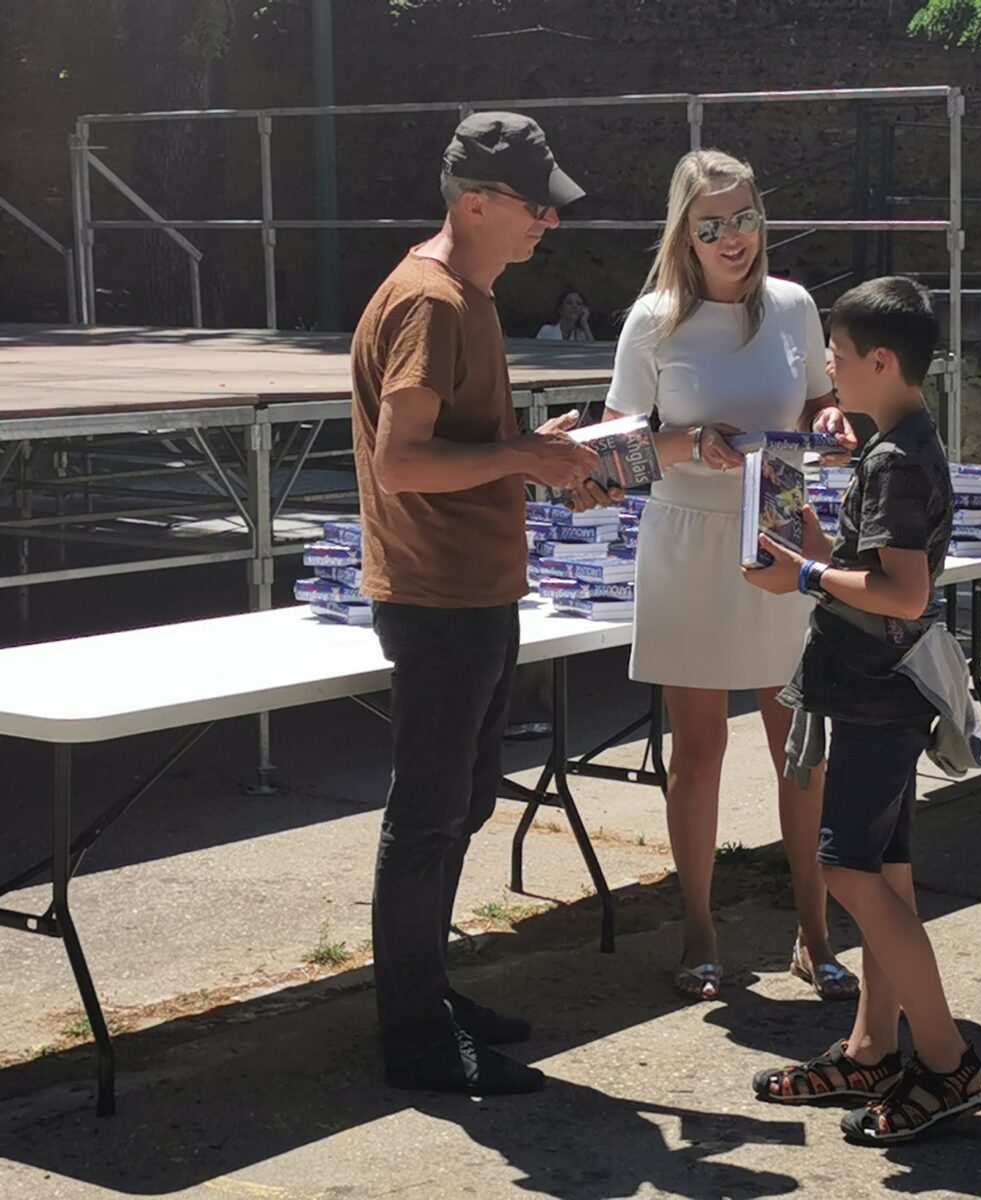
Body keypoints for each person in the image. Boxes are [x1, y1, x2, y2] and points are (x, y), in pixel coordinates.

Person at [350, 111, 617, 1095]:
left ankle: (429, 997)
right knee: (425, 816)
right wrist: (517, 455)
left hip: (473, 591)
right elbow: (404, 460)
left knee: (458, 802)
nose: (549, 221)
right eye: (534, 204)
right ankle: (416, 1041)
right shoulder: (434, 302)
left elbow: (458, 443)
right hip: (439, 599)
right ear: (475, 202)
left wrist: (534, 451)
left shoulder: (467, 294)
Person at [602, 148, 858, 1003]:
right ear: (685, 231)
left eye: (745, 218)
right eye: (711, 224)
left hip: (780, 525)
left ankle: (814, 932)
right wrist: (687, 444)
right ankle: (702, 933)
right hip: (685, 533)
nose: (733, 238)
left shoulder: (791, 306)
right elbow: (614, 454)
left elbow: (823, 396)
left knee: (799, 748)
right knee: (699, 750)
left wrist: (830, 418)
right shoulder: (652, 320)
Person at [745, 276, 981, 1144]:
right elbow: (880, 571)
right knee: (883, 873)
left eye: (838, 359)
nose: (828, 373)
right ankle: (870, 1048)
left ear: (880, 362)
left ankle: (943, 1055)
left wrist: (805, 577)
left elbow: (902, 591)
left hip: (877, 695)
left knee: (847, 869)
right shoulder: (899, 442)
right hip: (880, 688)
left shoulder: (891, 458)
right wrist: (815, 546)